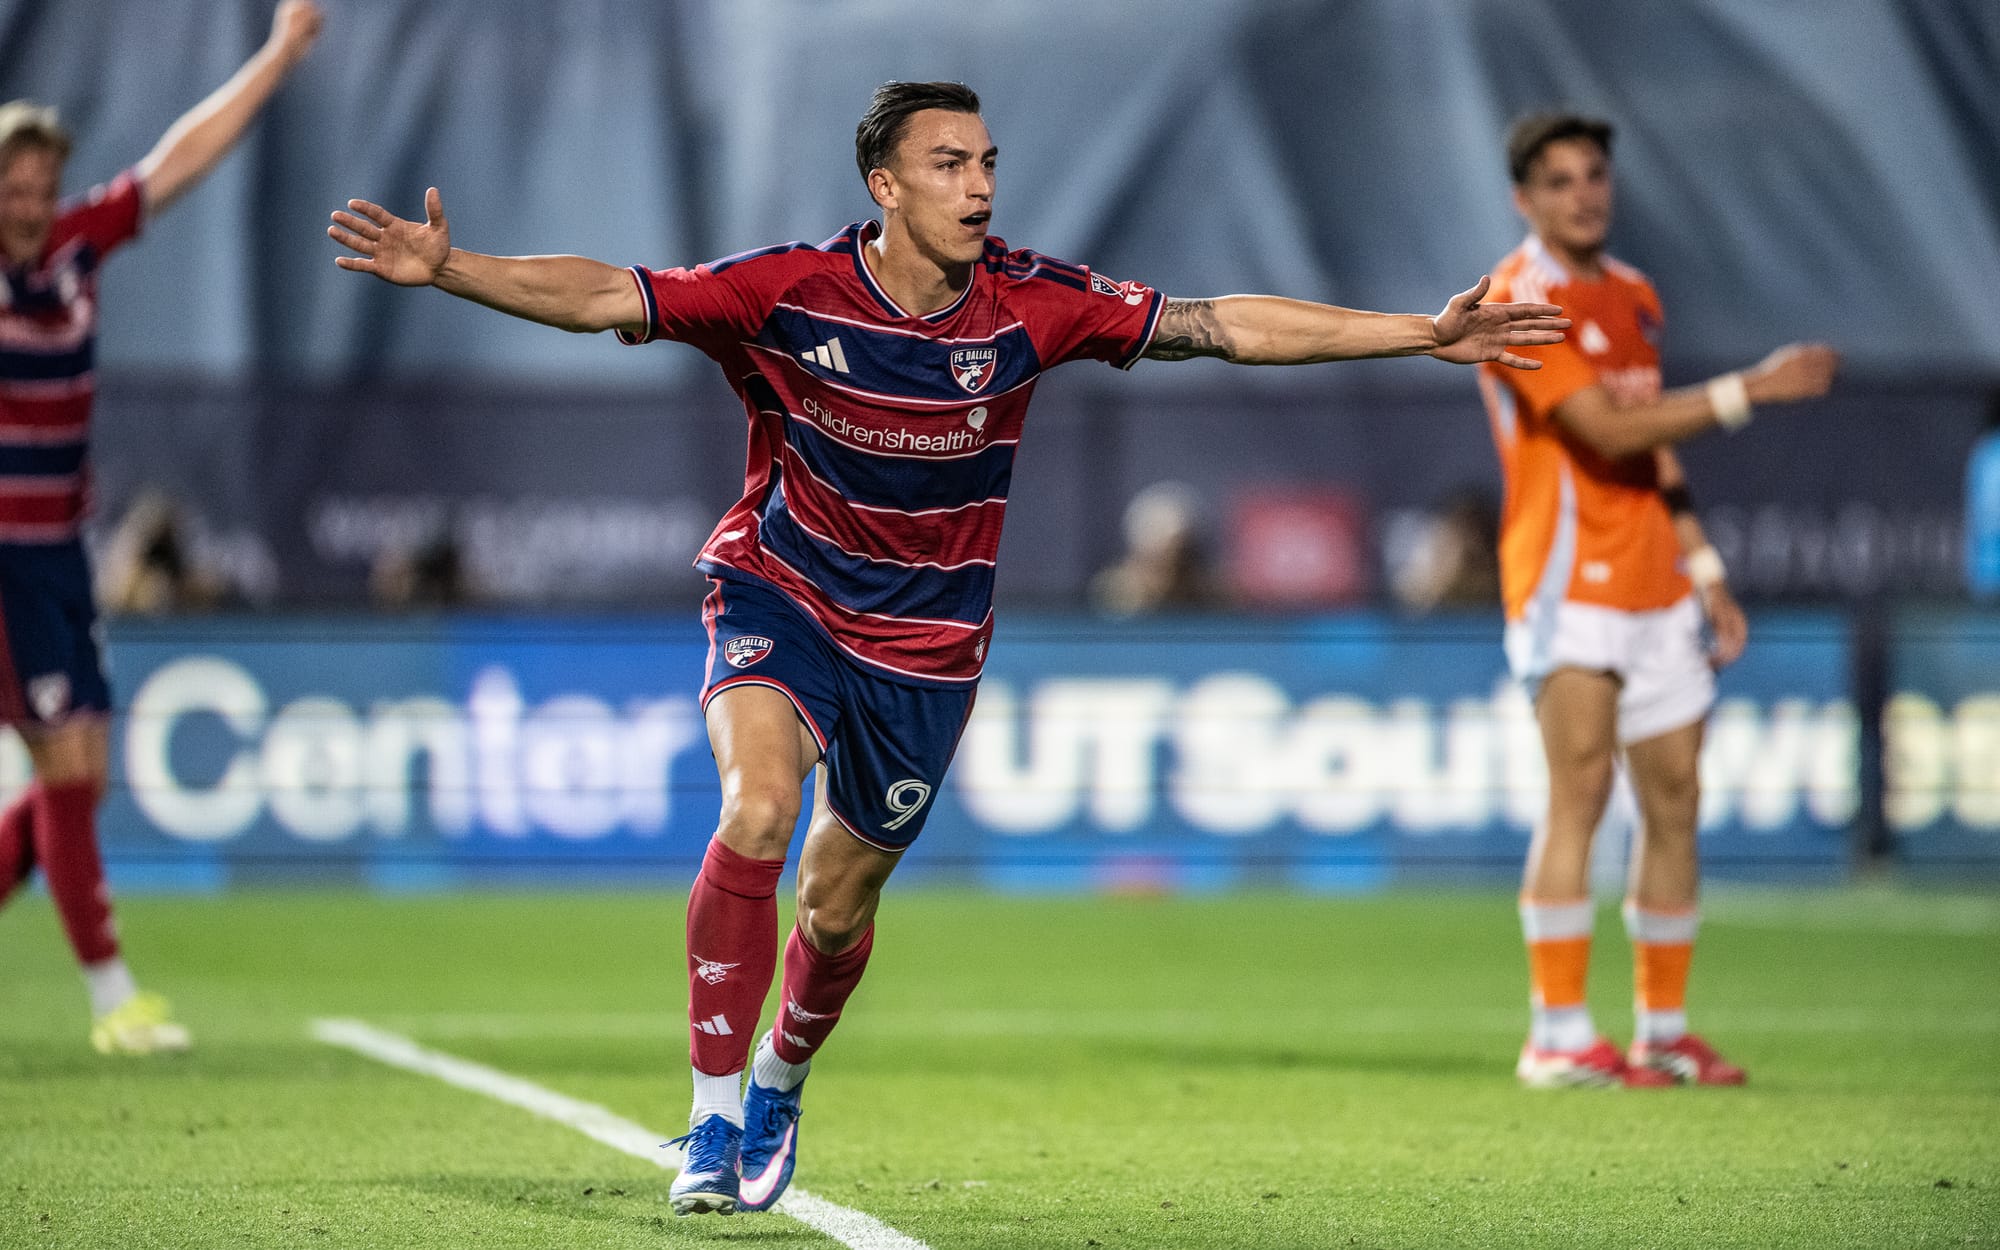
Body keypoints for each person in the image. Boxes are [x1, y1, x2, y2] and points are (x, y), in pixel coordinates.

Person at [327, 79, 1568, 1215]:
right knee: (758, 808)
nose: (978, 186)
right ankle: (708, 1124)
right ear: (885, 185)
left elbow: (1219, 324)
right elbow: (611, 293)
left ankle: (776, 1078)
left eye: (985, 163)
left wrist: (1420, 332)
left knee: (837, 894)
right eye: (947, 164)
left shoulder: (1031, 301)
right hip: (781, 591)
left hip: (925, 647)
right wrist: (452, 271)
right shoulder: (785, 291)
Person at [1475, 112, 1838, 1089]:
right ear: (1523, 199)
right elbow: (1603, 428)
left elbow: (1649, 435)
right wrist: (1749, 390)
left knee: (1673, 799)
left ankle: (1662, 1029)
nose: (1581, 193)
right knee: (1580, 794)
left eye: (1592, 174)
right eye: (1555, 180)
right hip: (1563, 582)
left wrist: (1703, 563)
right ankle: (1553, 1033)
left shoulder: (1631, 293)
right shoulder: (1519, 297)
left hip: (1653, 583)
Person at [0, 1, 324, 1055]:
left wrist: (275, 57)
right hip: (2, 563)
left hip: (60, 555)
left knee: (80, 772)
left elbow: (178, 161)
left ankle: (109, 993)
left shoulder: (77, 247)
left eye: (43, 184)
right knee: (62, 761)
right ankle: (113, 1002)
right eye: (14, 186)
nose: (32, 202)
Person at [1090, 480, 1225, 614]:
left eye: (1187, 556)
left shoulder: (1215, 599)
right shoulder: (1115, 601)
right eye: (1170, 555)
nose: (1175, 570)